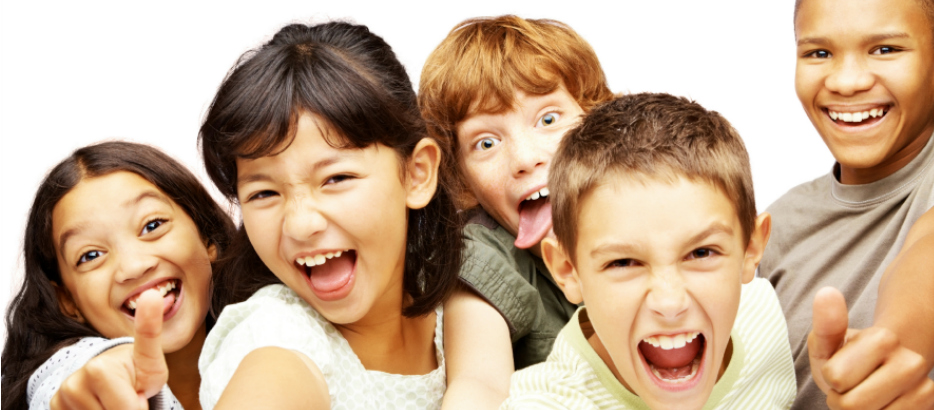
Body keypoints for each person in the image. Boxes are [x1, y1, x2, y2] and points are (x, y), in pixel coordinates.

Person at [195, 21, 489, 409]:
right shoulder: (275, 336)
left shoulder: (467, 299)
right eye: (264, 193)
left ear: (417, 173)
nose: (301, 225)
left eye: (335, 178)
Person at [503, 93, 797, 409]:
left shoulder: (767, 317)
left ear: (750, 248)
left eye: (701, 253)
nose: (669, 304)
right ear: (567, 270)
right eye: (623, 262)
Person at [758, 0, 934, 408]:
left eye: (885, 49)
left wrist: (890, 357)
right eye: (819, 53)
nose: (847, 82)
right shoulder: (774, 226)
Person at [418, 15, 615, 371]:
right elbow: (479, 383)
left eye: (548, 120)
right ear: (462, 181)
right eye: (486, 143)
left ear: (599, 123)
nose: (525, 159)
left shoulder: (649, 195)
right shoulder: (480, 252)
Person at [1, 141, 234, 410]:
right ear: (67, 300)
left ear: (207, 238)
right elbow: (62, 379)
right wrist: (88, 384)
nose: (133, 266)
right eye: (90, 255)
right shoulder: (72, 368)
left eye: (152, 225)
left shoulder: (274, 328)